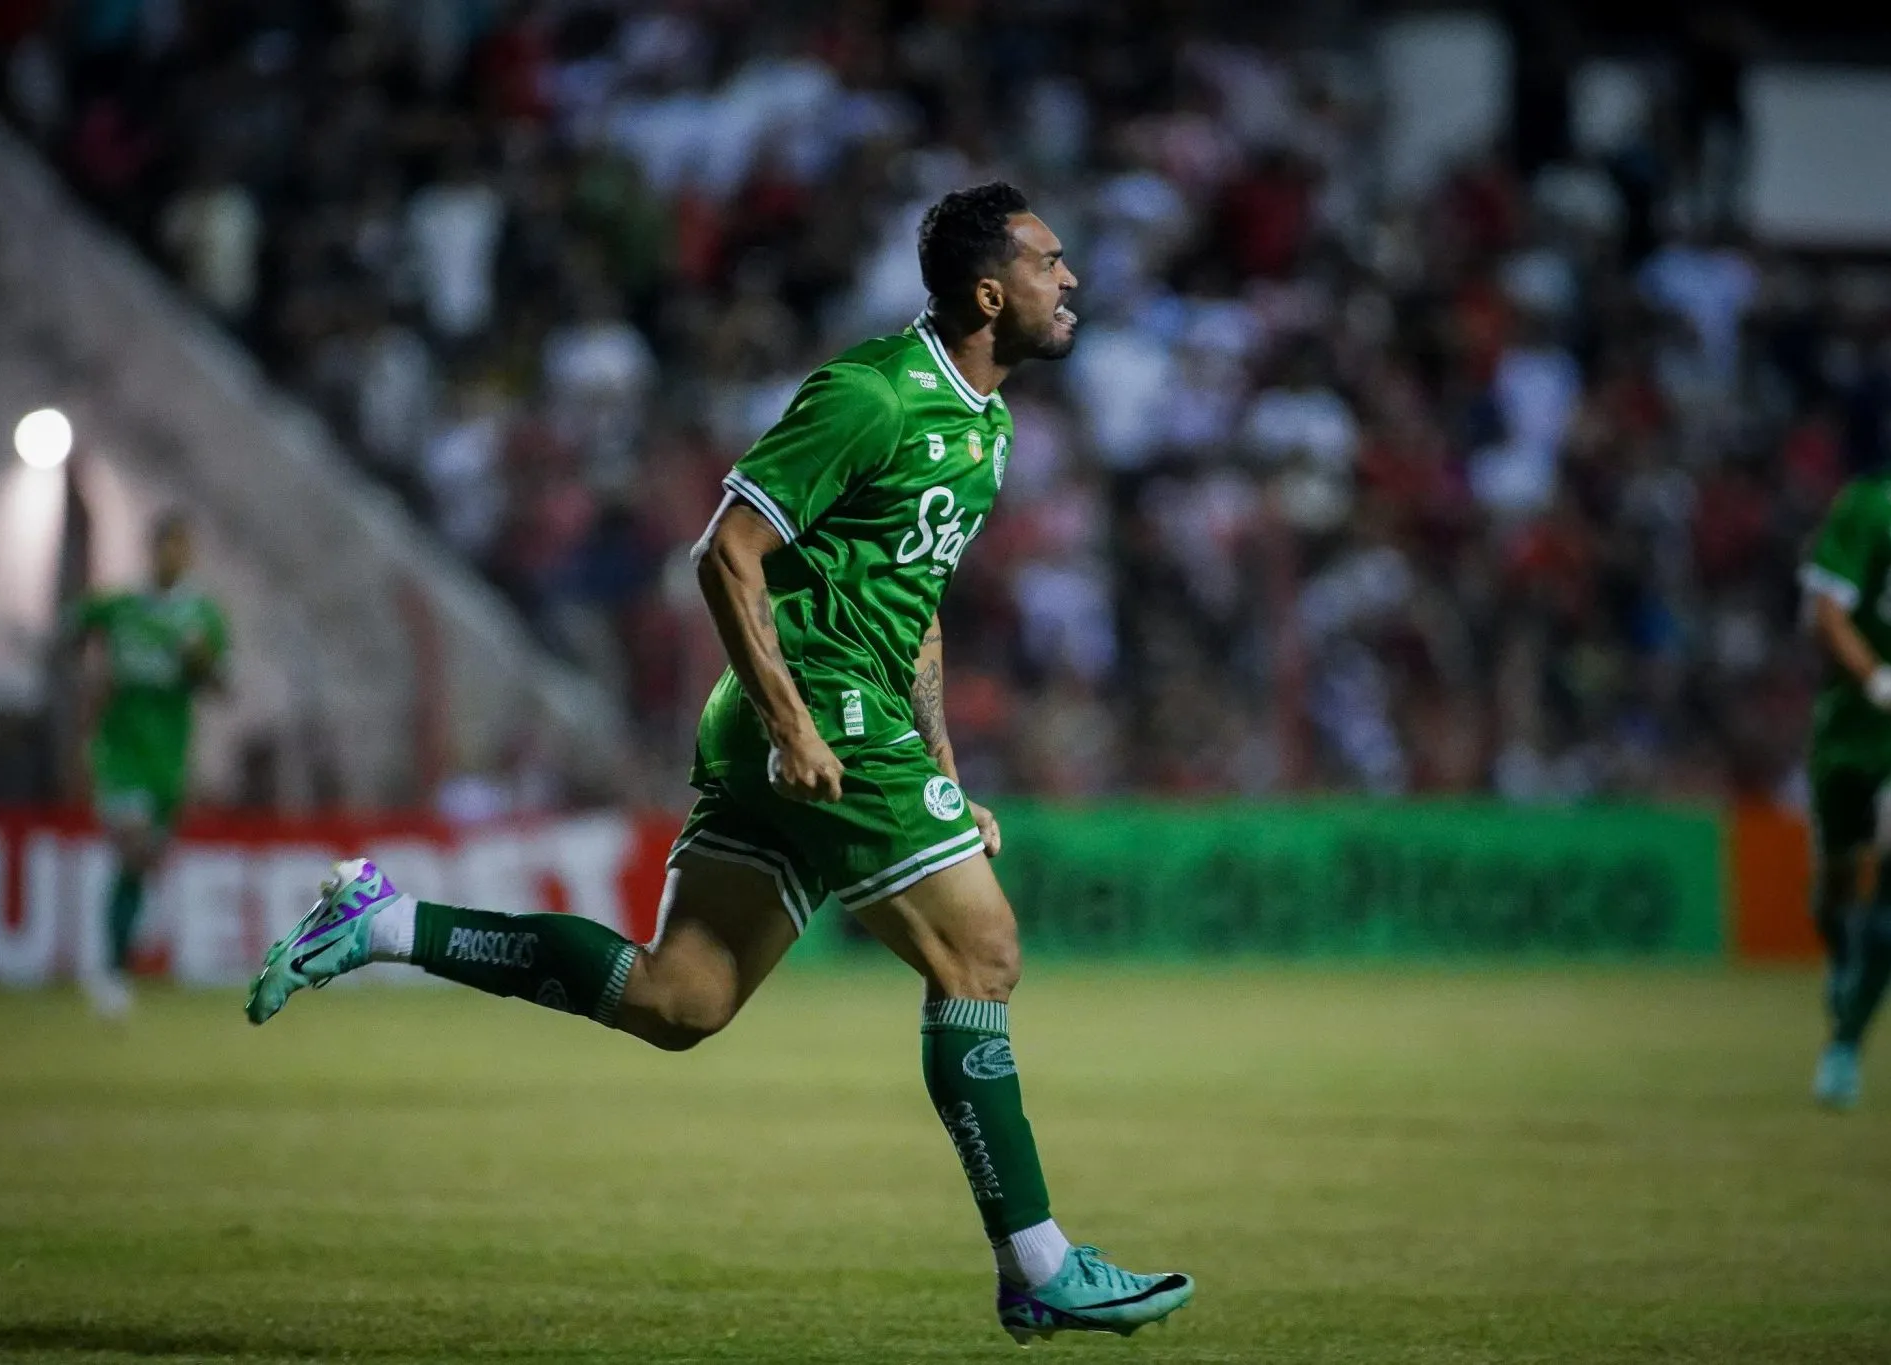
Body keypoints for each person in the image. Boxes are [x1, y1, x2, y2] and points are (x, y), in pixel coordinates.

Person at [247, 183, 1195, 1342]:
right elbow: (724, 552)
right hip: (811, 703)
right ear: (990, 292)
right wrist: (796, 722)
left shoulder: (986, 428)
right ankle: (1037, 1264)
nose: (1073, 280)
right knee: (982, 954)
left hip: (842, 711)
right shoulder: (870, 393)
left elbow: (914, 601)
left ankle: (383, 923)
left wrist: (944, 762)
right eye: (1051, 263)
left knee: (676, 999)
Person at [67, 512, 228, 1017]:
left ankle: (113, 964)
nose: (172, 557)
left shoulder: (204, 617)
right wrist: (87, 692)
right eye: (165, 547)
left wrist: (200, 665)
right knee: (134, 849)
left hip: (170, 762)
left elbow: (220, 687)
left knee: (139, 868)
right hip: (120, 755)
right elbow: (68, 630)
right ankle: (109, 971)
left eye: (181, 548)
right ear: (151, 549)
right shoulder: (119, 607)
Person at [1799, 473, 1891, 1108]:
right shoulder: (1869, 507)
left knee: (1889, 894)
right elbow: (1825, 615)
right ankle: (1841, 953)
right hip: (1849, 730)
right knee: (1834, 886)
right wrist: (1880, 681)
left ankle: (1844, 1047)